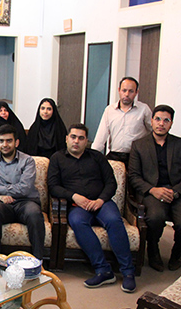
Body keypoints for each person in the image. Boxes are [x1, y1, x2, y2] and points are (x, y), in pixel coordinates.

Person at [48, 123, 136, 293]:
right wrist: (74, 196)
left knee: (114, 220)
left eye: (81, 138)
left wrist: (101, 200)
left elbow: (111, 182)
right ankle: (103, 270)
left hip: (101, 203)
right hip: (77, 206)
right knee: (77, 222)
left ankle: (128, 272)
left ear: (86, 141)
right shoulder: (57, 158)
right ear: (66, 139)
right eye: (73, 137)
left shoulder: (97, 157)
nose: (76, 141)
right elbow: (53, 186)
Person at [128, 105, 181, 272]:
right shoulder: (139, 145)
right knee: (154, 218)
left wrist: (175, 192)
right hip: (153, 192)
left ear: (171, 123)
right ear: (152, 121)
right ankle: (153, 250)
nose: (161, 123)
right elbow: (134, 176)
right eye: (158, 119)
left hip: (179, 193)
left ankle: (177, 253)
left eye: (166, 120)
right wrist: (152, 190)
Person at [0, 124, 45, 261]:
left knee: (34, 213)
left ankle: (37, 261)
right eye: (1, 141)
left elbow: (24, 188)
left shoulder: (28, 161)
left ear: (16, 142)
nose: (5, 145)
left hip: (25, 202)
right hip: (1, 204)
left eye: (9, 141)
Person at [92, 77, 152, 166]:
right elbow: (101, 136)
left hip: (136, 156)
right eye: (124, 90)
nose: (127, 94)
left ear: (136, 92)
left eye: (131, 91)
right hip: (114, 155)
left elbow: (154, 130)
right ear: (119, 90)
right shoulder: (109, 110)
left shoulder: (144, 109)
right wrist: (92, 156)